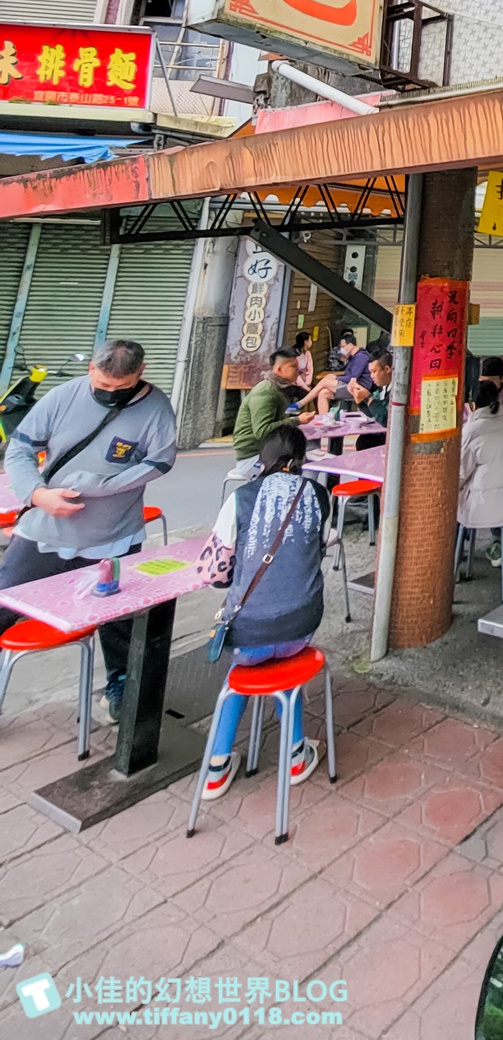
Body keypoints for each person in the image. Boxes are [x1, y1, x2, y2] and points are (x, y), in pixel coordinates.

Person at [0, 339, 177, 725]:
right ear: (90, 371)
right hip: (46, 527)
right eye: (103, 385)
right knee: (6, 598)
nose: (110, 393)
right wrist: (38, 494)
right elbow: (19, 450)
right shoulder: (62, 397)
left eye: (122, 386)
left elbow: (159, 463)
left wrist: (100, 486)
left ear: (140, 373)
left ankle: (120, 685)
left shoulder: (156, 408)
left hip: (114, 534)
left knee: (119, 621)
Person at [196, 423, 331, 800]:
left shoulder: (240, 499)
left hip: (248, 631)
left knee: (241, 674)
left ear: (261, 461)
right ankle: (295, 753)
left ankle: (217, 768)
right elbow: (318, 550)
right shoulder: (320, 496)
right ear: (303, 460)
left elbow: (215, 573)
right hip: (302, 622)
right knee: (287, 670)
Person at [458, 380, 503, 568]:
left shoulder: (471, 431)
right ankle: (498, 549)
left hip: (482, 509)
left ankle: (455, 562)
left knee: (452, 502)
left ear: (472, 405)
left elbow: (461, 474)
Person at [229, 349, 302, 480]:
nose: (298, 370)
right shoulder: (266, 392)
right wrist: (297, 420)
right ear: (279, 370)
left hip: (266, 450)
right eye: (293, 367)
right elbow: (262, 431)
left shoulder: (279, 389)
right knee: (299, 464)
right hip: (252, 457)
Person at [349, 351, 392, 428]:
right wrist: (360, 399)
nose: (372, 376)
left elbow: (385, 420)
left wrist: (369, 398)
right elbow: (372, 414)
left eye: (374, 371)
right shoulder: (382, 388)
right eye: (370, 372)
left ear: (387, 369)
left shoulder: (396, 392)